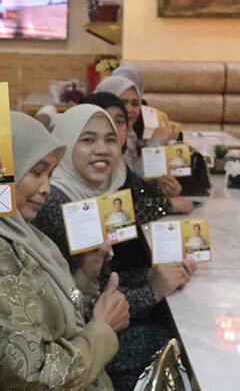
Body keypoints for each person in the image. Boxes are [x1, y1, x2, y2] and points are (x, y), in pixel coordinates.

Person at [32, 105, 194, 387]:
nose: (102, 149)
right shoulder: (55, 203)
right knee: (183, 341)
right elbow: (87, 304)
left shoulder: (92, 195)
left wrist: (156, 276)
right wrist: (153, 290)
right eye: (87, 140)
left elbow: (100, 280)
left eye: (110, 140)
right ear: (65, 144)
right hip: (74, 347)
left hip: (88, 333)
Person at [0, 112, 127, 390]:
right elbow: (32, 375)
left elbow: (48, 310)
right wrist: (103, 327)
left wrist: (85, 276)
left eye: (50, 174)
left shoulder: (27, 235)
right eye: (36, 172)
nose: (46, 188)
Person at [93, 74, 182, 198]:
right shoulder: (96, 143)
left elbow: (138, 182)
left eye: (135, 104)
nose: (129, 109)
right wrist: (154, 144)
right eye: (123, 103)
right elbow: (126, 187)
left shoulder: (130, 136)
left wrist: (165, 188)